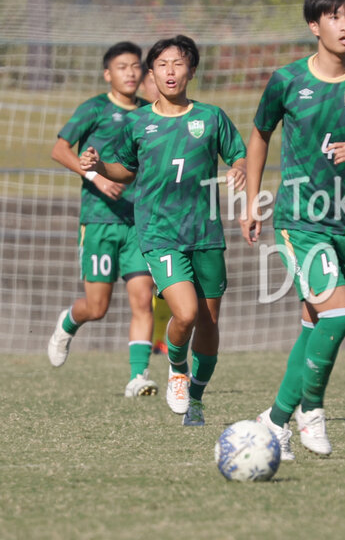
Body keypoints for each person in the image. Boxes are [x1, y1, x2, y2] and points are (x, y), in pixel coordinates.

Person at [242, 0, 345, 459]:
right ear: (315, 25)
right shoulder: (288, 80)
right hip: (299, 221)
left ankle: (273, 422)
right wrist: (252, 200)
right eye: (334, 17)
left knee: (315, 324)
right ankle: (302, 413)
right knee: (338, 312)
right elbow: (260, 134)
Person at [80, 35, 247, 427]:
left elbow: (238, 154)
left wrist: (239, 168)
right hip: (159, 234)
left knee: (208, 323)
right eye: (162, 64)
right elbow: (125, 169)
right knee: (185, 313)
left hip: (205, 234)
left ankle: (197, 399)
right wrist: (100, 167)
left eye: (178, 63)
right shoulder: (138, 122)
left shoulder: (211, 117)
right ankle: (176, 369)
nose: (170, 71)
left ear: (192, 70)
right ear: (151, 74)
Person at [47, 41, 158, 398]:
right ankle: (68, 322)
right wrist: (96, 177)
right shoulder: (94, 108)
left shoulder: (148, 113)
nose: (130, 73)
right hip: (99, 221)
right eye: (122, 67)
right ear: (108, 74)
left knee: (143, 297)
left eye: (135, 66)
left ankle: (138, 377)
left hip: (137, 222)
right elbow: (60, 149)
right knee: (97, 307)